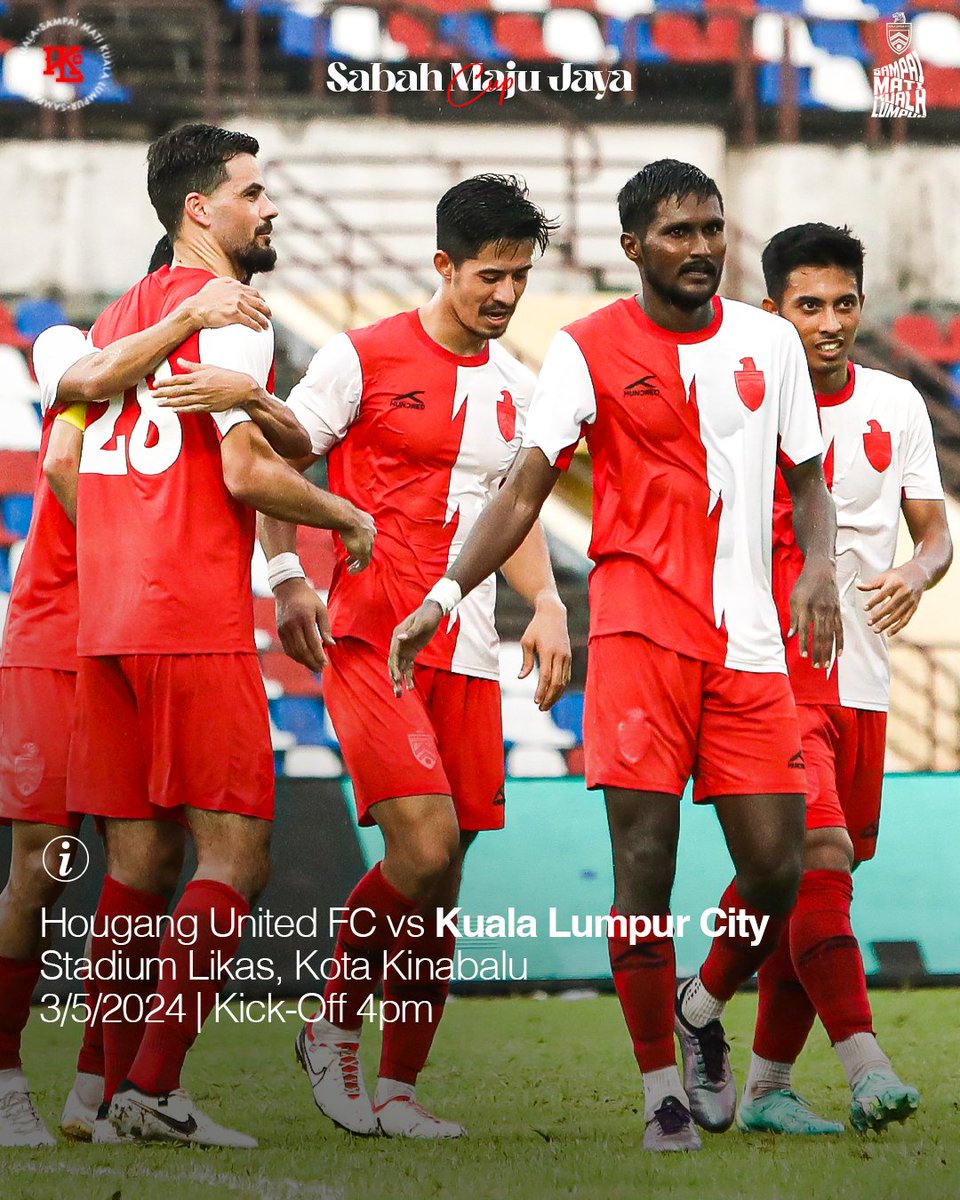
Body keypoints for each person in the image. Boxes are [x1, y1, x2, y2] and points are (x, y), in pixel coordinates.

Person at [388, 159, 843, 1152]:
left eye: (713, 229)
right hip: (637, 635)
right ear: (634, 247)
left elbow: (809, 480)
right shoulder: (586, 349)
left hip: (751, 647)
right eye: (678, 232)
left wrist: (815, 567)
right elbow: (521, 489)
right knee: (645, 865)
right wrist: (445, 592)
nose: (702, 248)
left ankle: (698, 1006)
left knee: (776, 870)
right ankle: (659, 1093)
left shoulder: (769, 341)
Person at [152, 174, 572, 1139]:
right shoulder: (362, 355)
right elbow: (271, 462)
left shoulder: (521, 385)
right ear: (443, 266)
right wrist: (287, 579)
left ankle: (397, 1090)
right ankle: (332, 1023)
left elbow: (514, 508)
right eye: (488, 278)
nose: (505, 296)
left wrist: (545, 601)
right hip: (371, 636)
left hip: (468, 646)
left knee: (445, 874)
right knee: (422, 849)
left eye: (519, 277)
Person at [65, 122, 376, 1148]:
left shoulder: (119, 316)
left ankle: (96, 1091)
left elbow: (71, 457)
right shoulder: (233, 311)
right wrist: (346, 519)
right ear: (201, 210)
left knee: (140, 863)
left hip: (106, 619)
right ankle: (153, 1087)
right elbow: (243, 473)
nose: (269, 207)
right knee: (236, 855)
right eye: (252, 192)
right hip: (188, 614)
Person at [0, 275, 275, 1147]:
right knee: (43, 864)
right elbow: (59, 458)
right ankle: (7, 1077)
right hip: (56, 627)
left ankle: (98, 1088)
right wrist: (127, 550)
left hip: (122, 632)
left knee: (146, 863)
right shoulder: (68, 349)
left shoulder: (167, 385)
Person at [737, 223, 952, 1136]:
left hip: (865, 678)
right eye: (807, 305)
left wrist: (916, 570)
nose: (828, 323)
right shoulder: (745, 406)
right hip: (776, 676)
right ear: (770, 311)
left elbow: (935, 531)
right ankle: (865, 1065)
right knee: (815, 863)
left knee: (816, 881)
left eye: (844, 304)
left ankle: (760, 1083)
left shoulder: (898, 402)